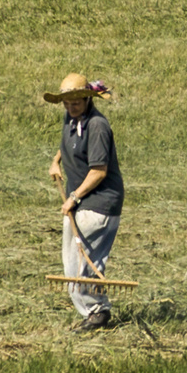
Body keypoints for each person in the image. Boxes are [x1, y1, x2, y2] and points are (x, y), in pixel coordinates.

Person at [44, 72, 125, 332]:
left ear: (87, 98)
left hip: (99, 203)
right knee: (71, 263)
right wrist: (57, 160)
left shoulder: (98, 126)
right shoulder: (72, 117)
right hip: (79, 202)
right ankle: (93, 310)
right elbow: (69, 142)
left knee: (83, 264)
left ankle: (97, 312)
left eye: (75, 103)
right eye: (66, 103)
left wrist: (74, 197)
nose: (70, 107)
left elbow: (99, 171)